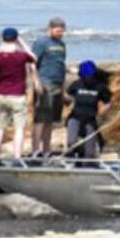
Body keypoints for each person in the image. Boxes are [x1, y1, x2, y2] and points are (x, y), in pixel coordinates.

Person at [0, 28, 40, 158]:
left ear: (3, 39)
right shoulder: (21, 56)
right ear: (16, 39)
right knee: (19, 129)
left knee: (0, 128)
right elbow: (34, 58)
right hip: (17, 95)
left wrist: (2, 47)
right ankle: (17, 157)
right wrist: (22, 43)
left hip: (1, 94)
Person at [31, 16, 67, 157]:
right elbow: (32, 63)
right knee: (40, 118)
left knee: (51, 119)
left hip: (58, 83)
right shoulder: (41, 42)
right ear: (50, 29)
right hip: (45, 82)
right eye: (58, 31)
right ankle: (35, 150)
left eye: (62, 32)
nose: (60, 34)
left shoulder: (61, 44)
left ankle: (47, 149)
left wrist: (63, 89)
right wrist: (36, 81)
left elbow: (61, 65)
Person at [64, 60, 111, 159]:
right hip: (75, 117)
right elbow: (68, 99)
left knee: (89, 151)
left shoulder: (100, 87)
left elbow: (108, 101)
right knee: (71, 142)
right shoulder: (77, 84)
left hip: (90, 119)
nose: (88, 78)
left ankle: (87, 160)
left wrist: (104, 110)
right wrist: (64, 96)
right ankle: (76, 153)